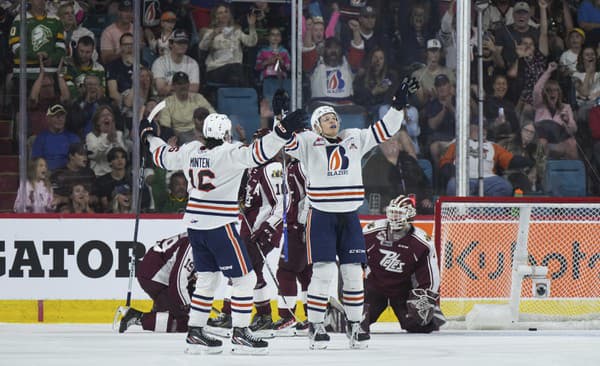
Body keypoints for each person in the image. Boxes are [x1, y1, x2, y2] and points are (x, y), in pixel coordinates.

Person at [141, 108, 305, 354]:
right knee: (245, 279)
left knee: (208, 278)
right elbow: (260, 152)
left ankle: (195, 332)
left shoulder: (190, 150)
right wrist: (282, 132)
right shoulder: (230, 153)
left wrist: (149, 135)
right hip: (220, 226)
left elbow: (162, 156)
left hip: (195, 226)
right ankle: (240, 333)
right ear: (226, 133)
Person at [282, 78, 418, 350]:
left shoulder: (355, 138)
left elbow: (385, 129)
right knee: (322, 272)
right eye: (326, 118)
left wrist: (398, 106)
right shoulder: (308, 142)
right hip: (321, 216)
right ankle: (316, 325)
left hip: (349, 217)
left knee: (354, 273)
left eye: (334, 117)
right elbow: (284, 141)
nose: (332, 120)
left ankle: (355, 325)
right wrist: (283, 121)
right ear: (316, 126)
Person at [362, 195, 445, 333]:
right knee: (356, 322)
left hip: (402, 290)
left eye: (399, 214)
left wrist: (427, 297)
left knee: (419, 326)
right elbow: (355, 257)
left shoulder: (421, 243)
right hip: (374, 286)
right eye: (392, 212)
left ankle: (434, 314)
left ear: (410, 215)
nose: (394, 217)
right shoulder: (370, 231)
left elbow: (431, 275)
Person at [119, 232, 195, 333]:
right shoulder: (193, 246)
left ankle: (160, 309)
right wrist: (187, 306)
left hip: (156, 271)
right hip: (154, 276)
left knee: (185, 311)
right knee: (182, 323)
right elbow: (177, 280)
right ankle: (137, 317)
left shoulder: (195, 235)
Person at [440, 121, 533, 196]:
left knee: (505, 187)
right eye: (477, 128)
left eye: (484, 129)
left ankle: (490, 214)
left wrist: (528, 161)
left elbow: (509, 160)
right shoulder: (457, 143)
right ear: (469, 130)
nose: (482, 130)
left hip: (488, 179)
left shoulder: (492, 145)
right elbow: (445, 161)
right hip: (464, 178)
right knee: (453, 186)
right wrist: (454, 172)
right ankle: (466, 212)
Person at [198, 3, 258, 87]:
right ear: (215, 16)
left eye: (226, 12)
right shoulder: (210, 32)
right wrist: (213, 33)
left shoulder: (236, 31)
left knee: (241, 70)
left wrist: (251, 26)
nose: (224, 14)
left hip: (236, 69)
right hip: (216, 69)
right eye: (220, 13)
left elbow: (251, 42)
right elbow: (202, 47)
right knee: (238, 72)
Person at [533, 62, 578, 159]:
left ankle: (573, 172)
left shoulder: (566, 107)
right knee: (542, 142)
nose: (552, 93)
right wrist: (549, 71)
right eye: (548, 90)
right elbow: (537, 89)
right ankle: (540, 172)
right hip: (543, 141)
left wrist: (567, 121)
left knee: (572, 143)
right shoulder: (539, 105)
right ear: (545, 94)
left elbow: (573, 130)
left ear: (559, 93)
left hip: (558, 143)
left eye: (555, 90)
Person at [157, 71, 216, 145]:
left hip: (200, 132)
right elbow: (165, 127)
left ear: (188, 84)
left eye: (185, 83)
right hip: (180, 135)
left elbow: (213, 115)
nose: (183, 86)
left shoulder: (198, 98)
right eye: (179, 84)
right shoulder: (168, 102)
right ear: (173, 86)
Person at [31, 104, 81, 172]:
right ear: (48, 119)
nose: (60, 119)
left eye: (63, 117)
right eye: (57, 116)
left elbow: (79, 161)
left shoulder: (74, 138)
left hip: (68, 175)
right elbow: (36, 162)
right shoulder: (41, 138)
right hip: (47, 174)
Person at [151, 29, 200, 96]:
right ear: (171, 44)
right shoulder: (160, 62)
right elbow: (162, 90)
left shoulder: (193, 63)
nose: (182, 45)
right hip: (164, 99)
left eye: (185, 42)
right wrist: (184, 87)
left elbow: (194, 88)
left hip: (186, 99)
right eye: (179, 42)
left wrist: (171, 87)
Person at [85, 105, 128, 176]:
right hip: (99, 175)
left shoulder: (119, 134)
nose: (106, 117)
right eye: (102, 115)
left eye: (109, 115)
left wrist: (116, 140)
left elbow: (124, 155)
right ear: (97, 122)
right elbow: (93, 155)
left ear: (113, 120)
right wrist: (107, 140)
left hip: (117, 175)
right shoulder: (91, 136)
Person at [50, 142, 96, 208]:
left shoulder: (89, 172)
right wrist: (73, 200)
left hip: (86, 212)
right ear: (71, 156)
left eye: (86, 154)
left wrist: (89, 199)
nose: (85, 158)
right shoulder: (58, 173)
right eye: (81, 154)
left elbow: (96, 197)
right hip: (64, 214)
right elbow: (54, 197)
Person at [100, 0, 134, 64]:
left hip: (134, 66)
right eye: (125, 11)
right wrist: (123, 53)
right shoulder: (108, 32)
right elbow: (105, 59)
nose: (128, 14)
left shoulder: (137, 29)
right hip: (116, 67)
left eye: (130, 11)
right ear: (118, 12)